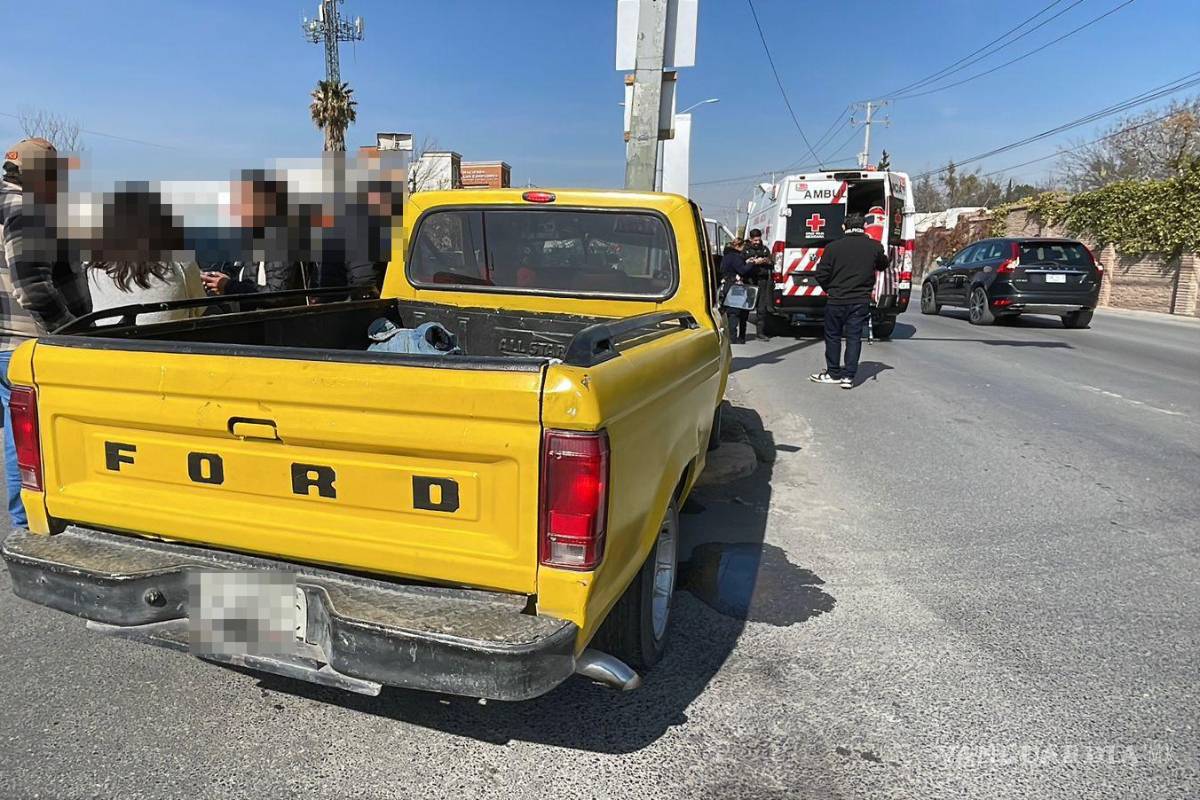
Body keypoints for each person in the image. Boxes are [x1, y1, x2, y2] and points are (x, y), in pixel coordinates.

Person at [0, 138, 91, 527]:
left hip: (6, 341)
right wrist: (67, 333)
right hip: (28, 343)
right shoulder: (28, 210)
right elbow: (33, 287)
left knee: (16, 433)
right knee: (31, 441)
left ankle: (25, 520)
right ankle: (31, 524)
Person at [84, 187, 205, 324]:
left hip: (112, 344)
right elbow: (202, 311)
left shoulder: (94, 270)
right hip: (174, 343)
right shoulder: (180, 264)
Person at [200, 170, 312, 306]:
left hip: (277, 324)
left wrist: (228, 286)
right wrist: (223, 279)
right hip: (256, 321)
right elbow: (247, 276)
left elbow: (278, 295)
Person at [809, 212, 888, 389]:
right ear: (864, 227)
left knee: (833, 336)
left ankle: (833, 373)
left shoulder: (833, 247)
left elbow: (821, 274)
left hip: (836, 299)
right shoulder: (874, 246)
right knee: (853, 338)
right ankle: (849, 377)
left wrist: (830, 289)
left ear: (844, 227)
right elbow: (883, 265)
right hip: (860, 300)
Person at [720, 237, 755, 344]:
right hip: (735, 286)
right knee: (735, 312)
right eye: (743, 246)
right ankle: (733, 337)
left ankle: (731, 335)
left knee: (730, 311)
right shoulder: (735, 257)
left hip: (727, 284)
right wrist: (751, 263)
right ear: (738, 246)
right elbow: (742, 270)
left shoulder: (726, 256)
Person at [743, 228, 773, 339]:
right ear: (751, 239)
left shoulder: (764, 249)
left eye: (758, 240)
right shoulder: (745, 249)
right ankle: (742, 333)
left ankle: (760, 332)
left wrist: (765, 261)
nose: (757, 242)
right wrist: (752, 262)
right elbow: (741, 263)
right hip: (750, 280)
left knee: (761, 308)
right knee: (746, 308)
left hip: (762, 280)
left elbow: (771, 261)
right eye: (755, 240)